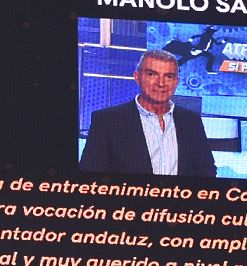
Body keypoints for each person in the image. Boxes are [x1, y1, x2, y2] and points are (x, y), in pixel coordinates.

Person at [80, 49, 218, 177]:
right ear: (137, 77)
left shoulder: (191, 121)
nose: (161, 83)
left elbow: (207, 172)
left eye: (168, 76)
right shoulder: (107, 120)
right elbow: (90, 175)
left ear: (176, 82)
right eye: (152, 74)